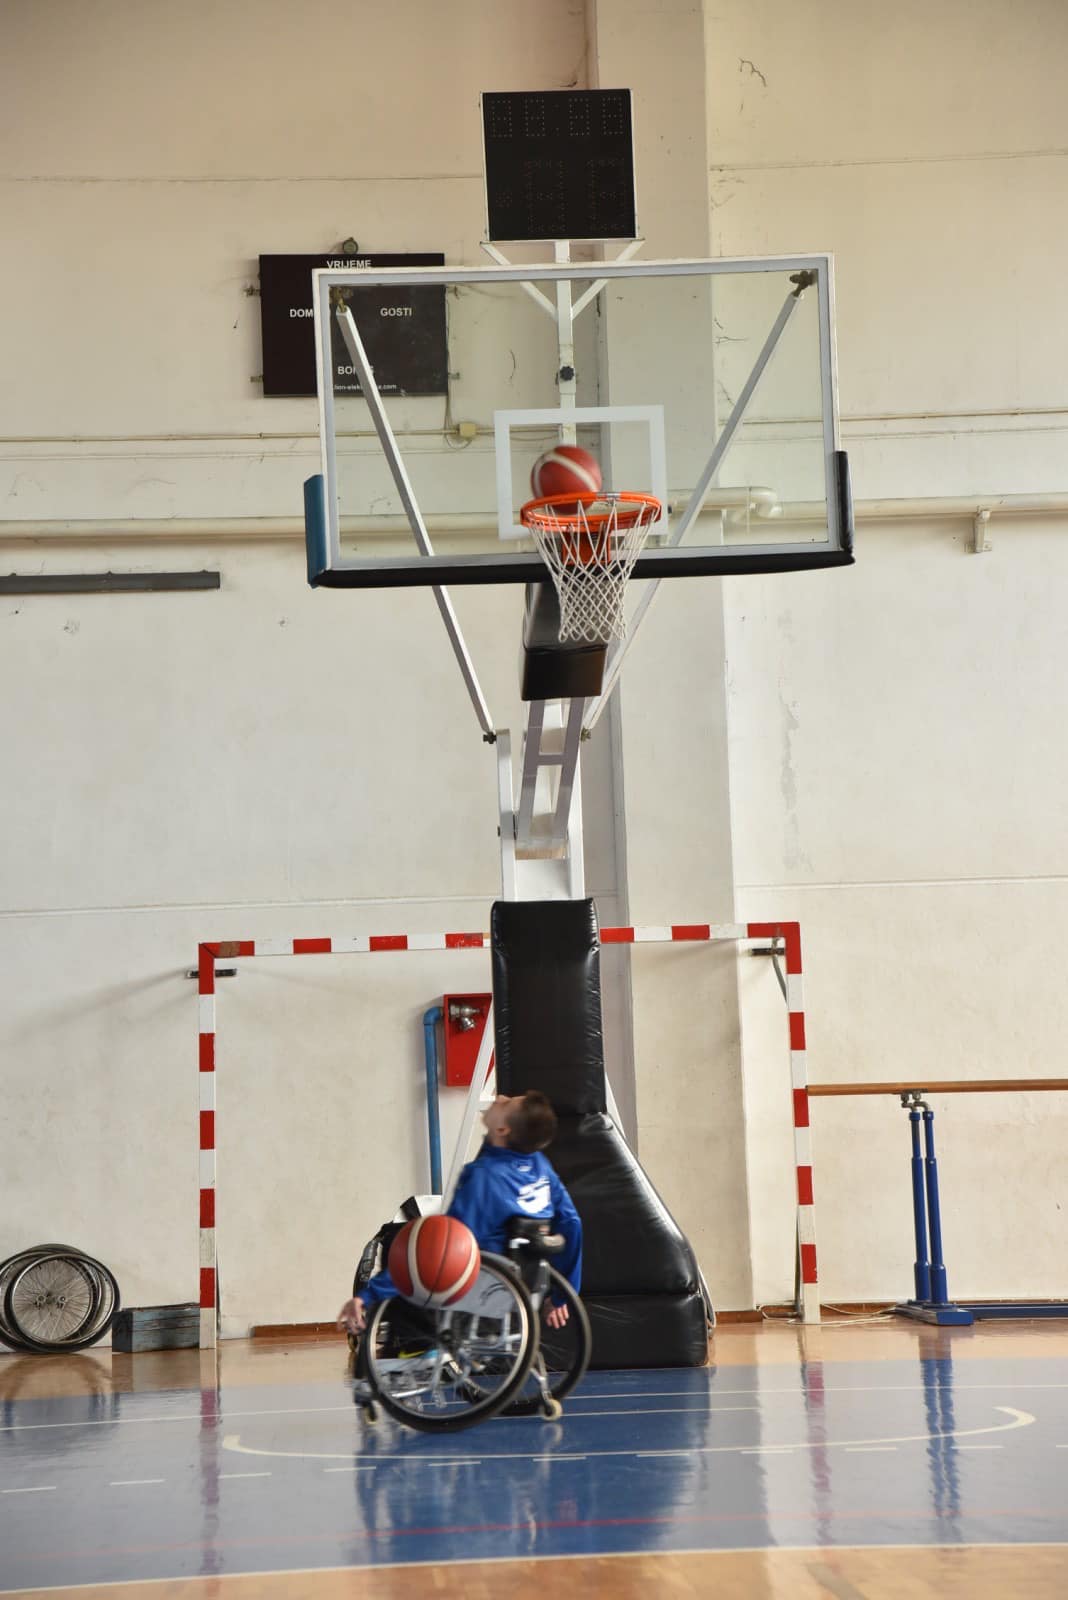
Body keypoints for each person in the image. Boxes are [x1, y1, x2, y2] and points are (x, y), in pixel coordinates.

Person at [337, 1090, 582, 1334]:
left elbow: (442, 1250)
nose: (500, 1097)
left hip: (477, 1285)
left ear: (502, 1129)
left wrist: (368, 1295)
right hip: (525, 1285)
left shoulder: (484, 1176)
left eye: (506, 1103)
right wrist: (563, 1295)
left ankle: (409, 1344)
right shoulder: (540, 1166)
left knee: (400, 1242)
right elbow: (571, 1223)